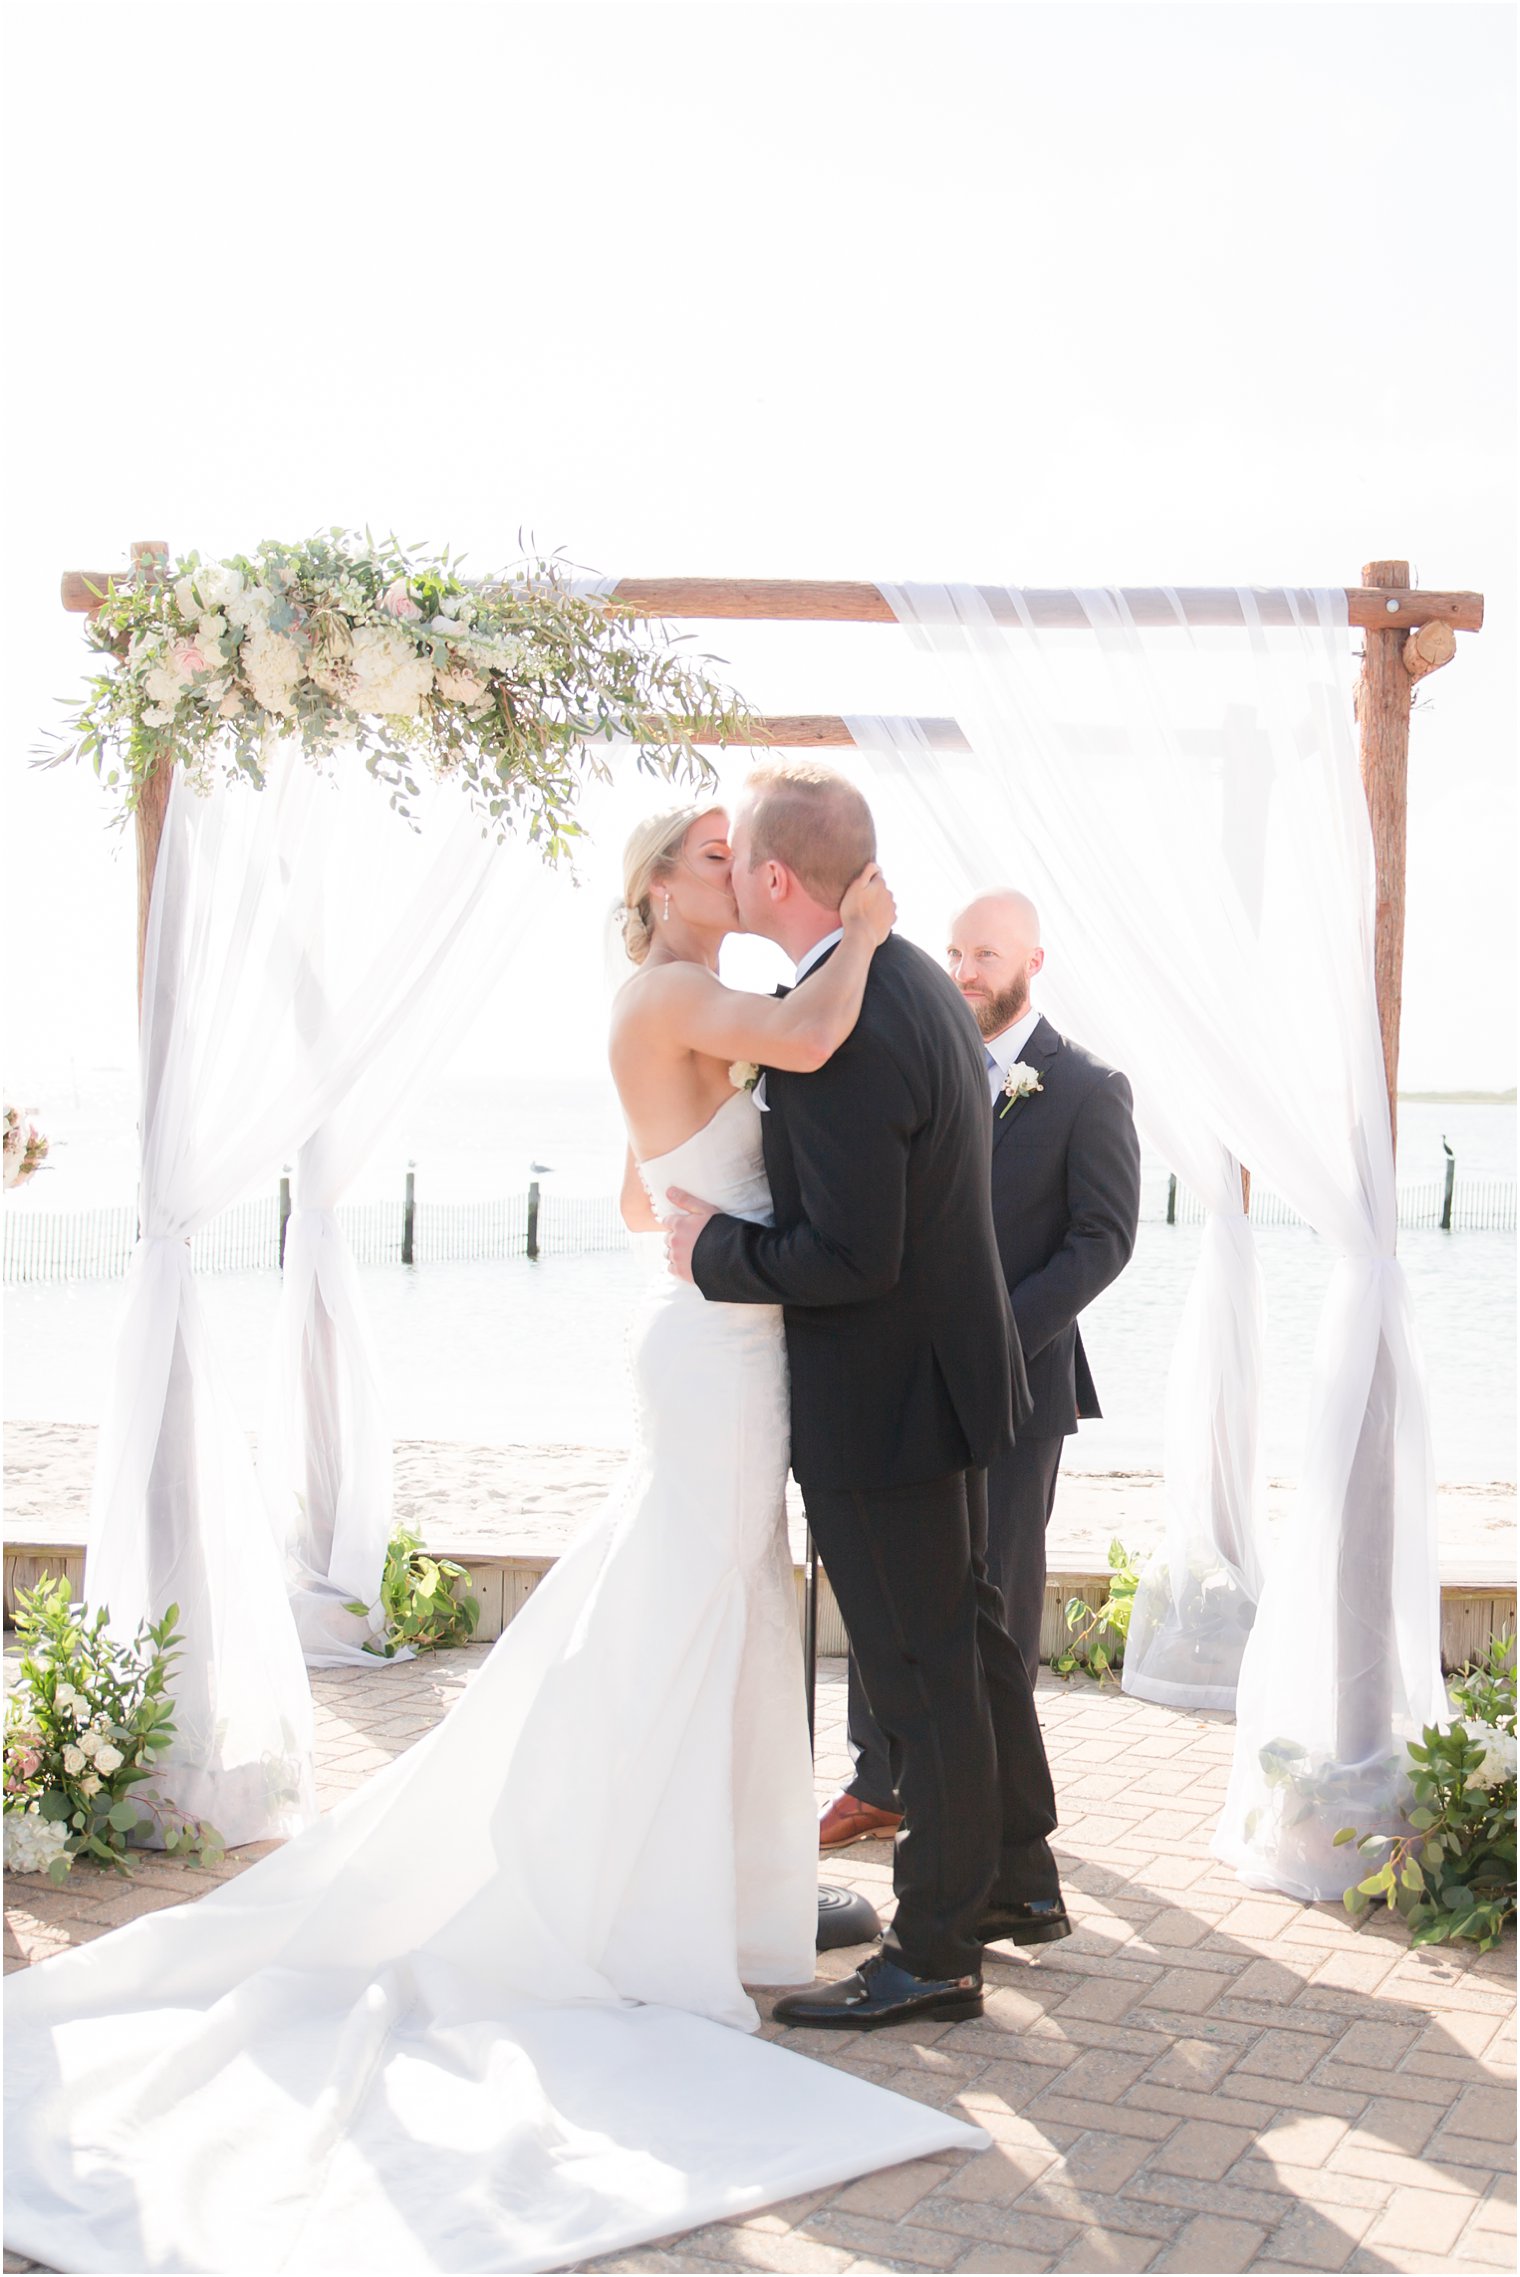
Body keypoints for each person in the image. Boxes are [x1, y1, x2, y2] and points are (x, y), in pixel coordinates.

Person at [3, 803, 989, 2277]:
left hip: (728, 1343)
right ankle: (646, 1893)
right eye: (709, 853)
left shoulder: (688, 1005)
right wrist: (868, 923)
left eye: (741, 852)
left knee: (725, 1618)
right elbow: (807, 1038)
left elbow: (628, 1187)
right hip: (719, 1358)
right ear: (657, 884)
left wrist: (699, 1186)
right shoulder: (676, 993)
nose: (731, 868)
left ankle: (728, 1890)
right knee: (696, 1615)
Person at [666, 765, 1068, 2034]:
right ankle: (1012, 1880)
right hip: (941, 1379)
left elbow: (850, 1257)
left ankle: (934, 1952)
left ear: (777, 878)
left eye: (740, 861)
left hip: (885, 1402)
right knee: (967, 1644)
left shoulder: (844, 1023)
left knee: (917, 1673)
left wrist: (707, 1256)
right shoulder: (894, 981)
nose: (728, 875)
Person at [823, 888, 1142, 1848]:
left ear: (1034, 962)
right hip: (906, 1380)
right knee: (888, 1583)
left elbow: (1103, 1240)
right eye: (956, 953)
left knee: (993, 1595)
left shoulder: (1087, 1086)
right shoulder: (921, 1068)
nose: (965, 973)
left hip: (1014, 1386)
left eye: (987, 956)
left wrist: (994, 1335)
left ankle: (997, 1806)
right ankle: (881, 1780)